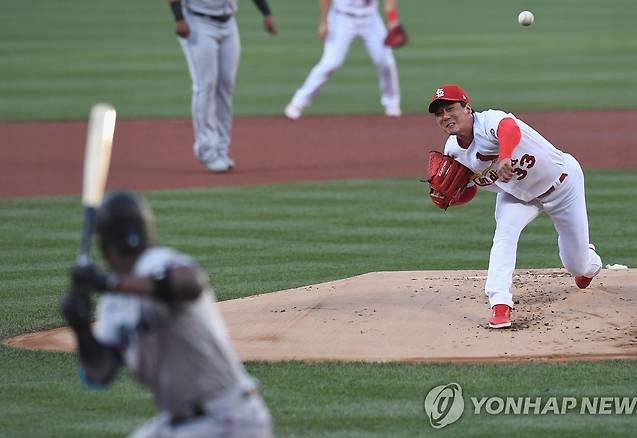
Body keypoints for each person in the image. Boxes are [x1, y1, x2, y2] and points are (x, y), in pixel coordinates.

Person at [60, 191, 271, 437]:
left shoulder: (157, 263)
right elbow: (99, 374)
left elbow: (190, 283)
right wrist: (81, 329)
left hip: (225, 420)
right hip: (177, 423)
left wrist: (107, 282)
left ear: (104, 247)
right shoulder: (114, 301)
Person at [427, 84, 603, 329]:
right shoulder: (453, 151)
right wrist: (452, 197)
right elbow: (469, 189)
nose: (445, 116)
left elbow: (509, 128)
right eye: (439, 113)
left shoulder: (490, 120)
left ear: (467, 108)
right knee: (504, 235)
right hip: (519, 196)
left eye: (450, 108)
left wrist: (505, 156)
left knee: (577, 265)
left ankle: (589, 262)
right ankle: (500, 305)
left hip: (563, 185)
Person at [168, 0, 277, 173]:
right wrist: (179, 18)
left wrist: (266, 13)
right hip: (198, 23)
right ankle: (207, 151)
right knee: (205, 85)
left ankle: (221, 149)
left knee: (226, 85)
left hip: (228, 23)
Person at [284, 0, 402, 120]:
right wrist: (324, 22)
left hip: (370, 19)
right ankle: (298, 103)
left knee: (386, 61)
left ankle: (392, 104)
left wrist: (393, 20)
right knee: (331, 63)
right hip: (342, 18)